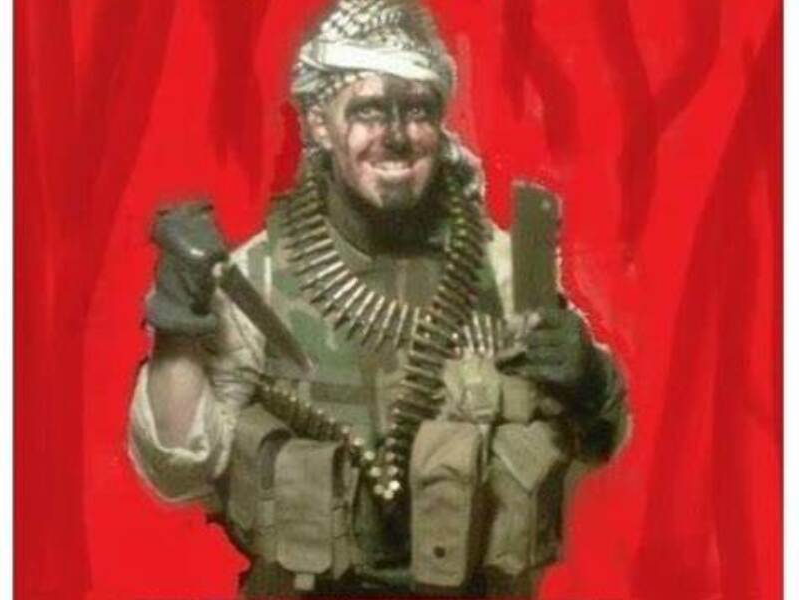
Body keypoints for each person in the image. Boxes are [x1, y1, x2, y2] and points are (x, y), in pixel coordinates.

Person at [128, 0, 627, 596]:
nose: (395, 136)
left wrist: (590, 381)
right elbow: (178, 467)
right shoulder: (260, 276)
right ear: (320, 123)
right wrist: (177, 323)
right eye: (368, 111)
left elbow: (600, 438)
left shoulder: (505, 267)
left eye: (417, 111)